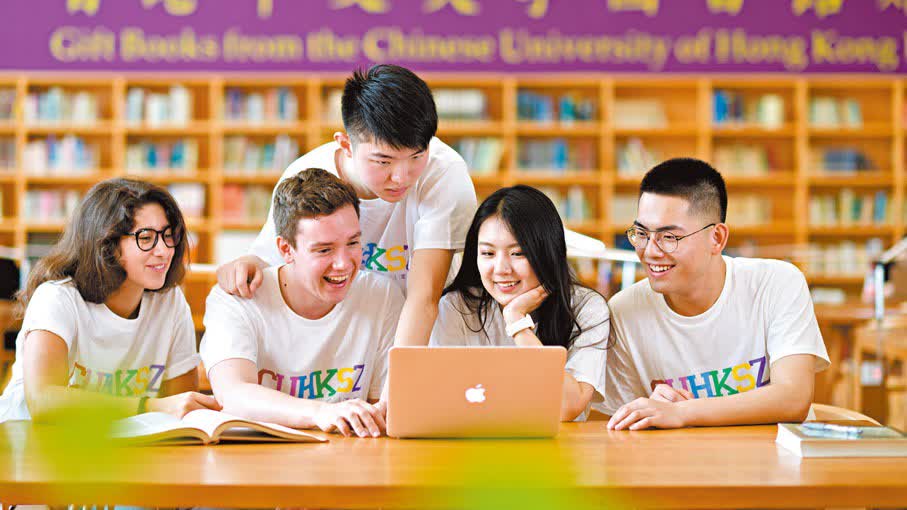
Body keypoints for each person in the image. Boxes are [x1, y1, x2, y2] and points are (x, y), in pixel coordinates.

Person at [215, 64, 477, 351]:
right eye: (383, 161)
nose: (401, 177)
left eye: (416, 157)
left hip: (424, 337)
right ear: (346, 145)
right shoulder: (306, 177)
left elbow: (423, 297)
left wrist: (401, 374)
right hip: (347, 339)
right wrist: (245, 267)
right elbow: (272, 260)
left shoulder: (445, 173)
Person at [602, 158, 830, 430]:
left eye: (669, 237)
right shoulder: (625, 311)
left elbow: (793, 398)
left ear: (717, 238)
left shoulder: (776, 283)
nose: (650, 251)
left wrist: (683, 412)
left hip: (775, 454)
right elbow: (617, 425)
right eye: (641, 233)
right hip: (678, 456)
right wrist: (649, 409)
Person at [200, 168, 404, 438]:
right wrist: (321, 412)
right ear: (286, 249)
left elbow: (382, 411)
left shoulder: (381, 296)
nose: (343, 264)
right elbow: (233, 395)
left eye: (353, 243)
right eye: (324, 250)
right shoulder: (236, 300)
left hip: (349, 454)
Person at [0, 178, 218, 422]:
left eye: (168, 236)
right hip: (26, 436)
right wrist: (149, 406)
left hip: (119, 440)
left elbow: (181, 408)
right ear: (106, 244)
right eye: (146, 238)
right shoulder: (57, 298)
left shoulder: (170, 302)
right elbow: (44, 402)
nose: (164, 250)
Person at [430, 185, 610, 421]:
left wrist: (517, 323)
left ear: (547, 252)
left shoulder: (587, 308)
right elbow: (442, 402)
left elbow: (567, 406)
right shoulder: (456, 307)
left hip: (560, 443)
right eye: (488, 253)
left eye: (518, 253)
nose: (501, 269)